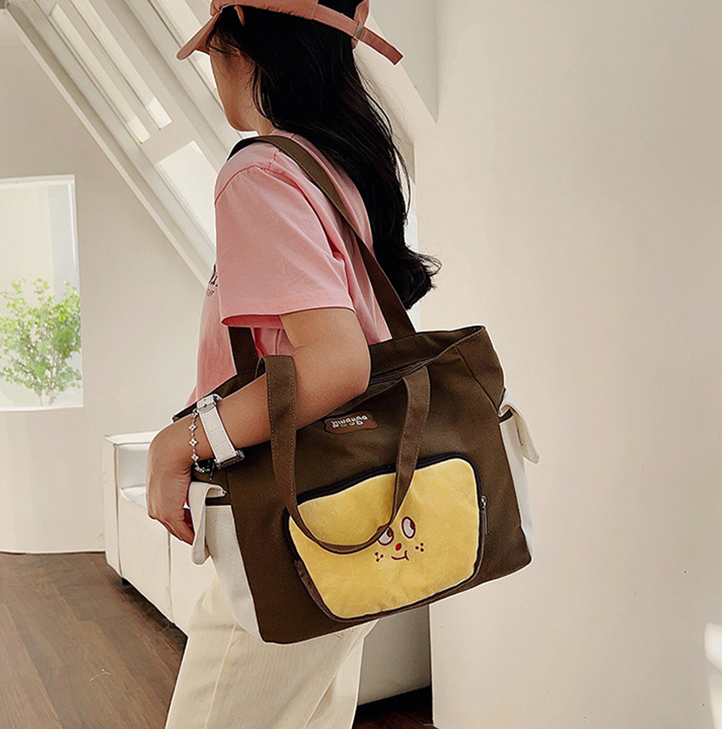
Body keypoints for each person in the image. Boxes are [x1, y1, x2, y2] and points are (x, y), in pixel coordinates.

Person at [145, 2, 441, 727]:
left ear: (248, 46)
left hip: (294, 527)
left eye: (214, 48)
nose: (212, 67)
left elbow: (335, 365)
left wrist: (178, 443)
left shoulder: (260, 173)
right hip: (359, 514)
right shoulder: (336, 165)